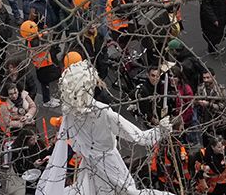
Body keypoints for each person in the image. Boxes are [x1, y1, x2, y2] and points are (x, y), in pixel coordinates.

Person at [37, 60, 173, 195]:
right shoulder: (103, 112)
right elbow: (141, 138)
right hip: (111, 166)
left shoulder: (70, 113)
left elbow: (71, 143)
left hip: (89, 167)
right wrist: (161, 129)